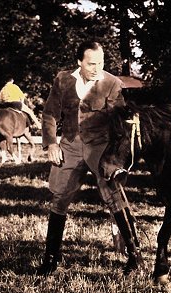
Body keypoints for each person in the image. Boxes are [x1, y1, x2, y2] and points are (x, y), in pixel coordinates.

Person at [37, 41, 141, 276]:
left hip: (100, 148)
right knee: (59, 199)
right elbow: (50, 114)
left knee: (114, 198)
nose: (97, 68)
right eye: (91, 63)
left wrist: (117, 157)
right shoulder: (63, 80)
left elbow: (119, 123)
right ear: (79, 62)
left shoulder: (112, 83)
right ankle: (50, 260)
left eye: (101, 63)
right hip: (70, 147)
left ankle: (134, 257)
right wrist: (51, 143)